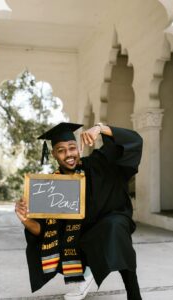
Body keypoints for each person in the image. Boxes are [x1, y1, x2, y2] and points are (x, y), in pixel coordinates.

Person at [15, 122, 143, 300]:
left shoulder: (99, 163)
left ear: (79, 148)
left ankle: (134, 294)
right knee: (62, 241)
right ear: (53, 154)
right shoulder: (51, 186)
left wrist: (99, 128)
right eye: (61, 150)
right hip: (78, 244)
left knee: (115, 227)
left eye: (72, 148)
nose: (68, 154)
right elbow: (43, 232)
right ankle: (87, 270)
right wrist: (25, 219)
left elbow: (134, 142)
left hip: (109, 229)